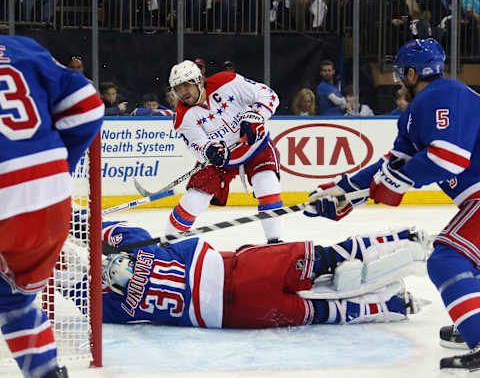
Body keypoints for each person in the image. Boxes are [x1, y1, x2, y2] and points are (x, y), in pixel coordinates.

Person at [303, 38, 480, 371]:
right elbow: (391, 165)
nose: (400, 81)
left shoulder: (441, 94)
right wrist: (341, 192)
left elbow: (449, 158)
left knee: (448, 259)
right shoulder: (419, 111)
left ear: (412, 74)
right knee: (470, 262)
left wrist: (398, 180)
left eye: (402, 74)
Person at [77, 221, 430, 328]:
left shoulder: (124, 308)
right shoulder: (144, 247)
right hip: (240, 270)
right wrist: (77, 227)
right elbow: (110, 230)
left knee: (321, 315)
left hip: (235, 315)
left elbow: (83, 298)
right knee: (324, 258)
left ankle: (397, 304)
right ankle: (401, 238)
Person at [0, 35, 104, 378]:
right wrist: (59, 167)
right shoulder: (22, 48)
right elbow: (89, 107)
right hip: (51, 199)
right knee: (13, 299)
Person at [166, 60, 283, 244]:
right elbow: (197, 144)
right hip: (222, 161)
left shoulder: (227, 82)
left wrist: (255, 116)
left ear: (199, 81)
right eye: (178, 88)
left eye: (187, 85)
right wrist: (209, 150)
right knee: (194, 200)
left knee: (267, 184)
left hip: (256, 146)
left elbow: (268, 95)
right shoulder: (182, 116)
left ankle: (275, 242)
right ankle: (168, 244)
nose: (183, 92)